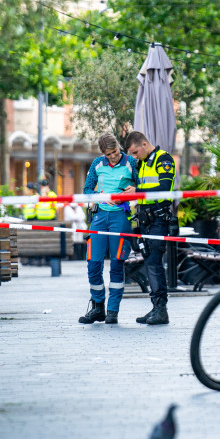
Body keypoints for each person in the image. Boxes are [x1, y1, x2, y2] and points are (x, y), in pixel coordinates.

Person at [79, 134, 137, 324]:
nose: (113, 157)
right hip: (100, 216)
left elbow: (143, 185)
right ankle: (97, 307)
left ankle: (112, 310)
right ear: (103, 153)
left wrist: (135, 189)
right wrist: (100, 196)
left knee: (117, 264)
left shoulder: (131, 163)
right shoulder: (97, 164)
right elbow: (87, 190)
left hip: (120, 216)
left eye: (115, 152)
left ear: (119, 147)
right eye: (108, 154)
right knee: (93, 263)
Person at [125, 130, 177, 326]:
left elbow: (164, 189)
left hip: (159, 219)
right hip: (145, 219)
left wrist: (138, 191)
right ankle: (156, 306)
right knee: (149, 261)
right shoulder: (141, 163)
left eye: (135, 152)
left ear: (144, 145)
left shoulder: (163, 160)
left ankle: (161, 309)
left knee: (154, 261)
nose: (134, 156)